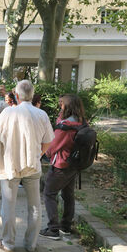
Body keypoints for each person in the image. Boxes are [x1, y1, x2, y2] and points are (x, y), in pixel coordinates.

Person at [0, 80, 54, 252]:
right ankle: (31, 244)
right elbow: (48, 141)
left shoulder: (7, 113)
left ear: (17, 95)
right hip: (33, 165)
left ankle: (8, 243)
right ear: (32, 95)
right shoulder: (41, 114)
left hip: (10, 165)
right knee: (35, 206)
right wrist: (37, 154)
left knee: (8, 206)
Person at [40, 94, 85, 240]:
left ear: (68, 106)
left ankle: (53, 229)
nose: (60, 106)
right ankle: (66, 227)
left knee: (49, 193)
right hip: (74, 164)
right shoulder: (81, 122)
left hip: (61, 164)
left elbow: (53, 146)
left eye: (62, 104)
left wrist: (46, 153)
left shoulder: (65, 127)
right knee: (68, 195)